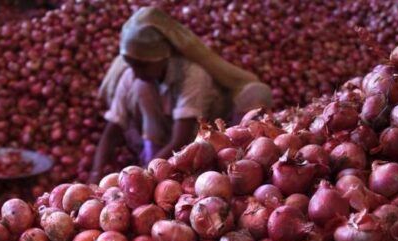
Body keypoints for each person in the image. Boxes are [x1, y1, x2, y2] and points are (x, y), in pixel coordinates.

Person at [89, 6, 272, 184]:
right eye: (132, 65)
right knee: (141, 87)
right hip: (162, 148)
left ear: (163, 56)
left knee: (256, 93)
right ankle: (153, 167)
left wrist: (145, 175)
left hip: (200, 145)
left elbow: (181, 139)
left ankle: (239, 161)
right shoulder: (135, 76)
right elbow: (112, 130)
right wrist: (96, 173)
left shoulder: (192, 74)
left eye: (143, 65)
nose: (136, 72)